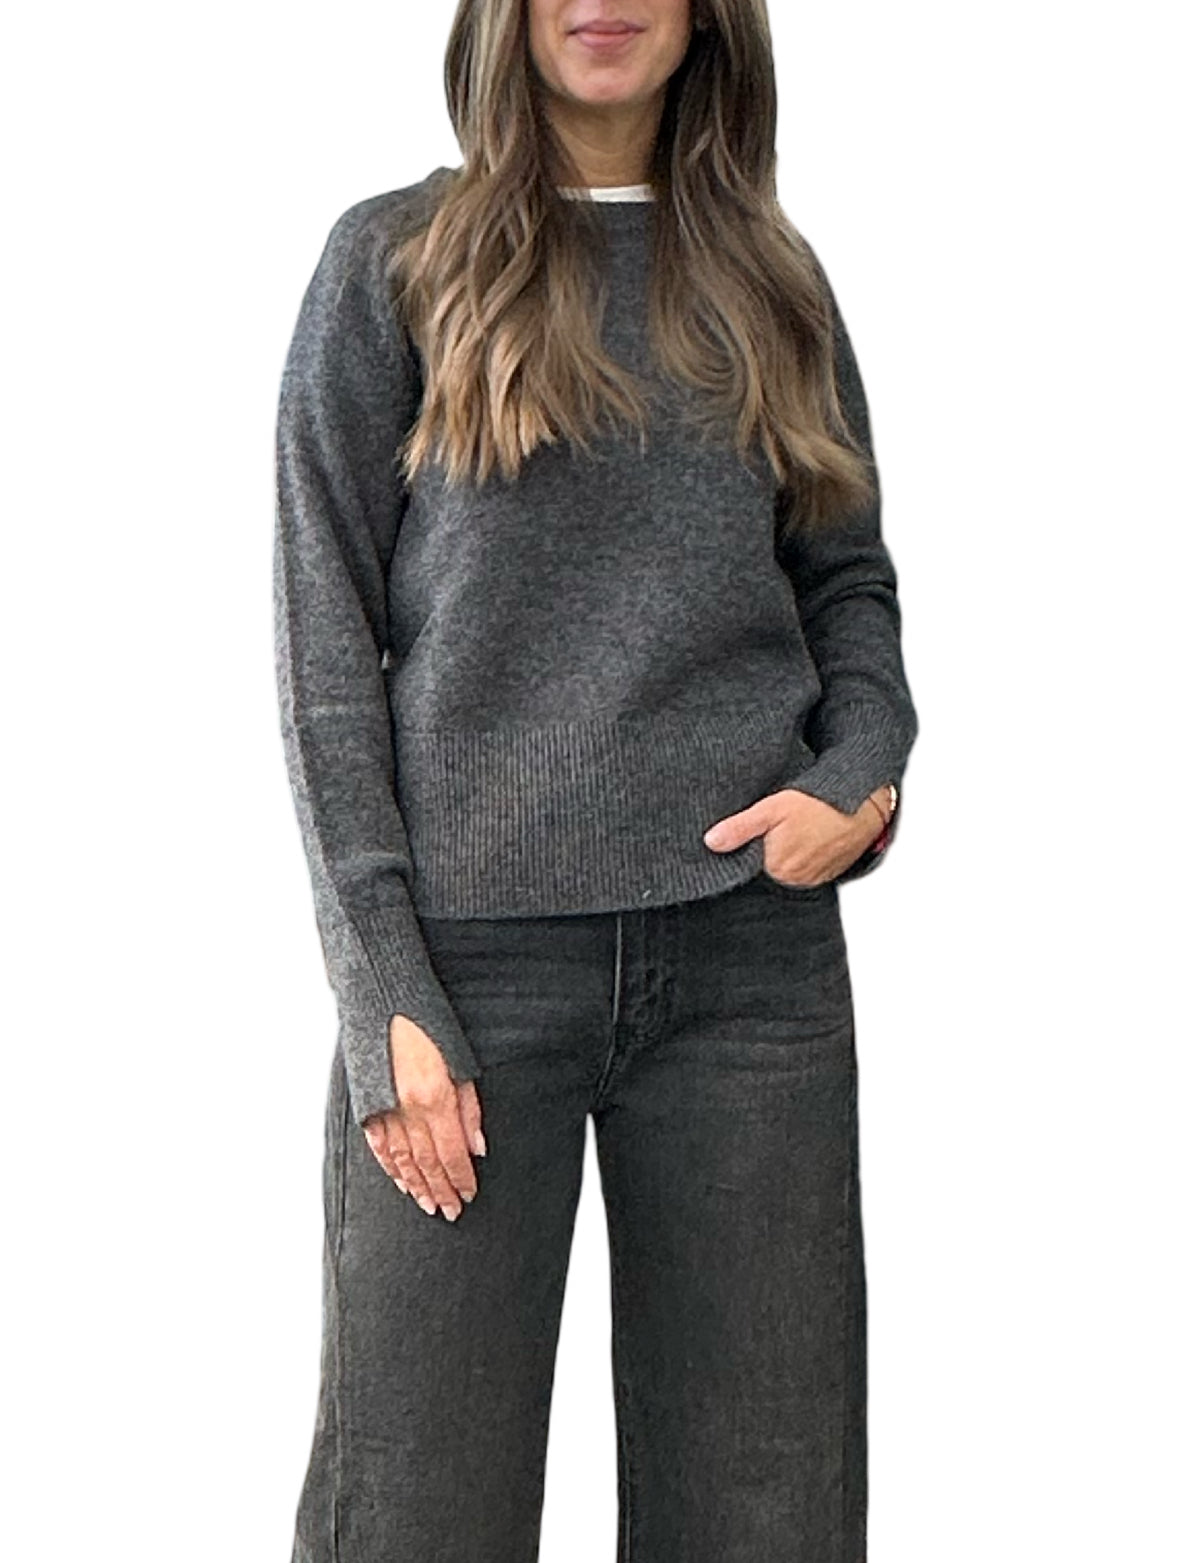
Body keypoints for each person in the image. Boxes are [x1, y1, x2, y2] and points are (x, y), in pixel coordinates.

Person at [272, 1, 919, 1558]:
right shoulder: (394, 264)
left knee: (766, 1512)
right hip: (471, 985)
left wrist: (861, 775)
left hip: (752, 972)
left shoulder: (771, 278)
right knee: (415, 1512)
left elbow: (846, 583)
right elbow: (321, 643)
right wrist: (385, 988)